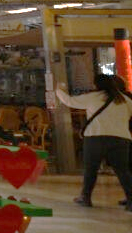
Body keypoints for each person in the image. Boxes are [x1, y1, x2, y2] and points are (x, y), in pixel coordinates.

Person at [56, 75, 132, 210]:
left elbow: (69, 101)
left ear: (97, 85)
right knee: (123, 171)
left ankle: (86, 197)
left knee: (91, 170)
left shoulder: (93, 97)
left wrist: (58, 90)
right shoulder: (125, 100)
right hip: (121, 139)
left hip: (95, 138)